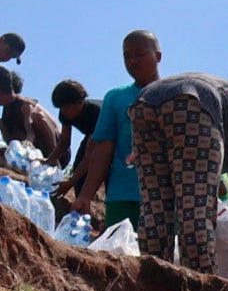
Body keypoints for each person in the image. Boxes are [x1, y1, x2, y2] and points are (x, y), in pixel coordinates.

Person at [131, 70, 228, 273]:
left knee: (154, 204)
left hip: (144, 104)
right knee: (193, 210)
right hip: (192, 102)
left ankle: (152, 284)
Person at [59, 30, 160, 231]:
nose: (133, 61)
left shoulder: (172, 94)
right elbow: (103, 148)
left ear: (157, 56)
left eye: (140, 54)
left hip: (162, 197)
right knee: (121, 254)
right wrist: (85, 195)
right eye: (127, 56)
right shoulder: (115, 98)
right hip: (120, 195)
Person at [0, 67, 65, 161]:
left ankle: (54, 161)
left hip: (59, 151)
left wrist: (27, 142)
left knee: (38, 117)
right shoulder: (7, 111)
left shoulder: (25, 105)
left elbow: (30, 131)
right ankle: (16, 156)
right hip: (37, 151)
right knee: (2, 124)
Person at [48, 79, 101, 211]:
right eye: (61, 108)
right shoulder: (65, 113)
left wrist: (70, 182)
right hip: (90, 136)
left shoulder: (96, 113)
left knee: (100, 170)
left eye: (66, 107)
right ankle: (80, 209)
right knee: (78, 169)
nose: (63, 111)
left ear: (79, 102)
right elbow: (65, 142)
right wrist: (49, 160)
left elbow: (90, 157)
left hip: (114, 137)